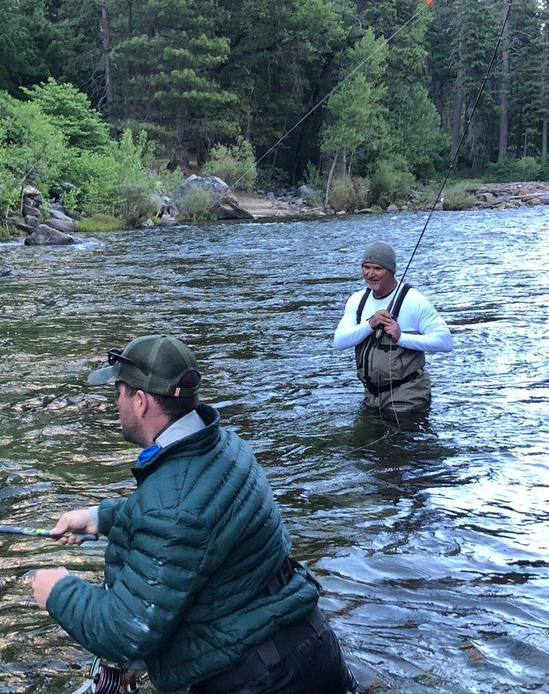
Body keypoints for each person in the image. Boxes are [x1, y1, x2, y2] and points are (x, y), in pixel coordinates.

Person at [32, 334, 356, 694]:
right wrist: (102, 517)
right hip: (314, 649)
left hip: (261, 680)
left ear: (140, 401)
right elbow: (192, 517)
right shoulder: (225, 446)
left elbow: (126, 633)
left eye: (118, 393)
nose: (116, 404)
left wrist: (59, 592)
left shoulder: (173, 505)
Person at [332, 241, 453, 420]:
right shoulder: (357, 300)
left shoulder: (414, 301)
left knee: (397, 446)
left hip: (408, 396)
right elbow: (339, 342)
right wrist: (369, 325)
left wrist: (401, 337)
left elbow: (445, 342)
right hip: (372, 396)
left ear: (391, 271)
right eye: (366, 267)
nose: (370, 274)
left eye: (377, 268)